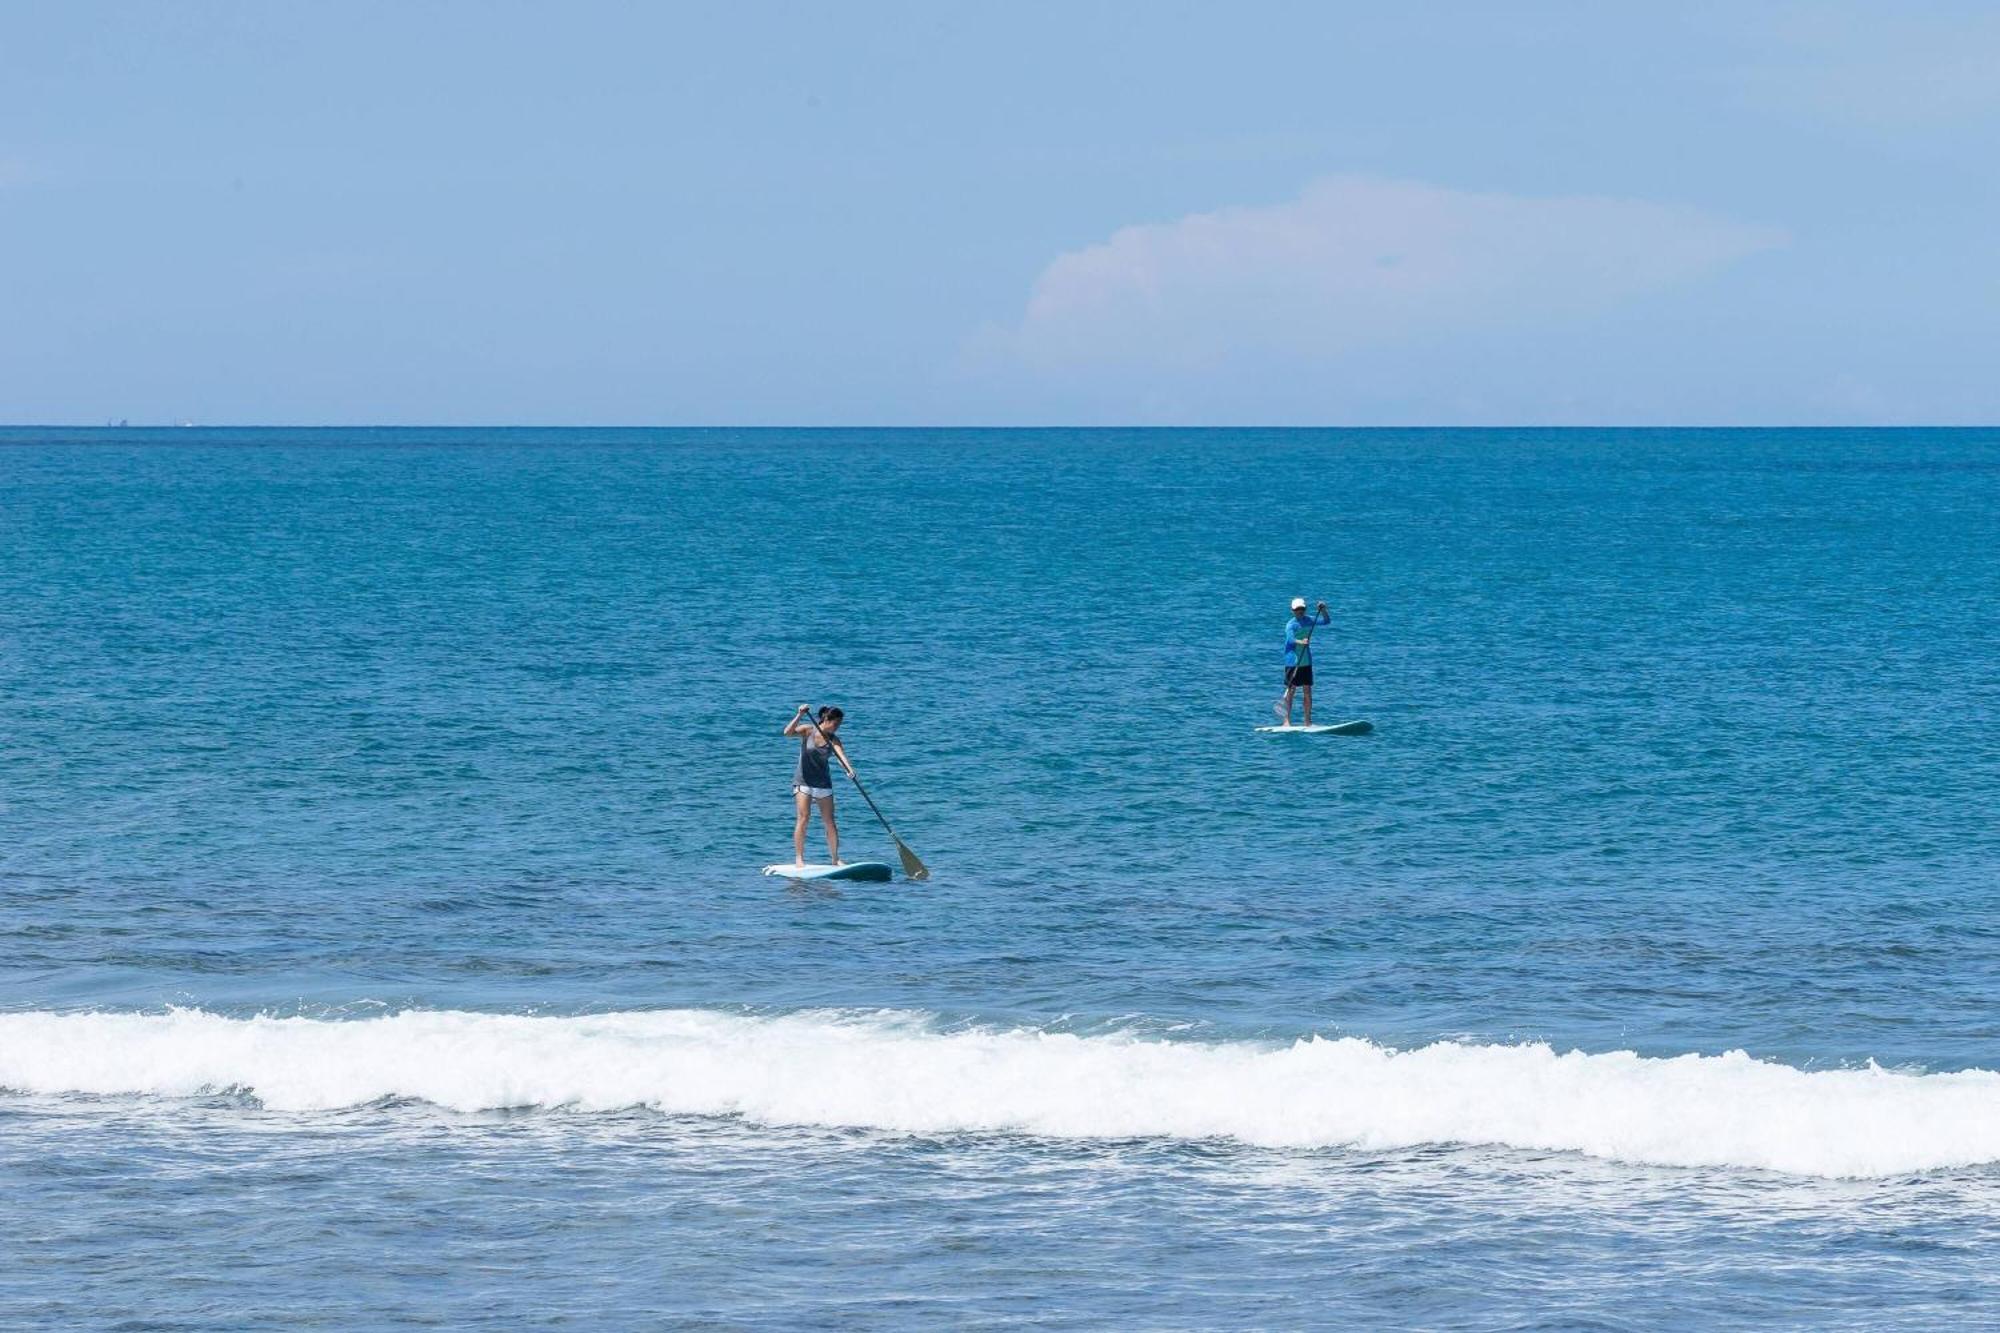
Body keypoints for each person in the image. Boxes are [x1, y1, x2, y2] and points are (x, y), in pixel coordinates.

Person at [783, 704, 851, 867]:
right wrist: (799, 714)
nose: (837, 728)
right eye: (835, 724)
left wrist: (849, 770)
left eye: (839, 725)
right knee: (804, 818)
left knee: (830, 821)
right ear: (826, 720)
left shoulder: (833, 740)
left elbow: (842, 758)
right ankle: (799, 859)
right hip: (803, 781)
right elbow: (787, 733)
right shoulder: (808, 730)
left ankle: (835, 858)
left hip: (823, 783)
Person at [1277, 596, 1331, 725]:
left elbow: (1326, 621)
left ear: (1305, 609)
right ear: (1293, 610)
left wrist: (1323, 610)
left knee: (1307, 690)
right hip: (1293, 661)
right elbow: (1290, 640)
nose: (1300, 611)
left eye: (1302, 609)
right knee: (1291, 691)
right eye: (1297, 609)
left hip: (1306, 661)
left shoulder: (1309, 620)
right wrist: (1301, 641)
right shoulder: (1291, 624)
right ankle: (1286, 721)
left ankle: (1307, 721)